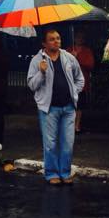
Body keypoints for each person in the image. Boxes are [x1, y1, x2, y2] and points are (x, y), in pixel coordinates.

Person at [27, 30, 84, 185]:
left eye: (58, 38)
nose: (56, 41)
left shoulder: (68, 57)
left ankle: (65, 172)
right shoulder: (37, 60)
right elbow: (32, 85)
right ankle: (51, 173)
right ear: (44, 44)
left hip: (68, 107)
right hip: (49, 108)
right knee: (50, 143)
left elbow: (80, 78)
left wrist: (74, 92)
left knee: (67, 143)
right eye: (51, 39)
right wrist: (41, 72)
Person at [67, 30, 95, 135]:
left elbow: (90, 65)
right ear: (74, 38)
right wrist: (71, 57)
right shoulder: (68, 50)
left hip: (81, 83)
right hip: (70, 82)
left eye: (81, 37)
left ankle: (77, 126)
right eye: (78, 37)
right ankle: (69, 126)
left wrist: (77, 58)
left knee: (79, 106)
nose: (80, 39)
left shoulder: (87, 51)